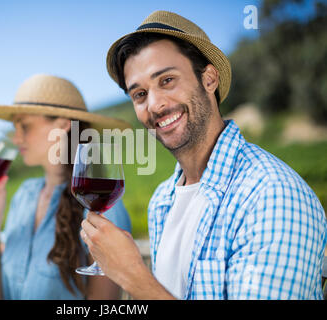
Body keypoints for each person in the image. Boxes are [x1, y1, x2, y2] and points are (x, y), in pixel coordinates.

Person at [80, 10, 327, 299]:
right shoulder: (162, 200)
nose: (155, 104)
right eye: (140, 94)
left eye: (167, 80)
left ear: (209, 79)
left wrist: (133, 276)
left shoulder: (270, 194)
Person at [0, 74, 132, 299]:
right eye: (14, 127)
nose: (16, 138)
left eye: (24, 126)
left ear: (63, 125)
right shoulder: (24, 195)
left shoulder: (102, 207)